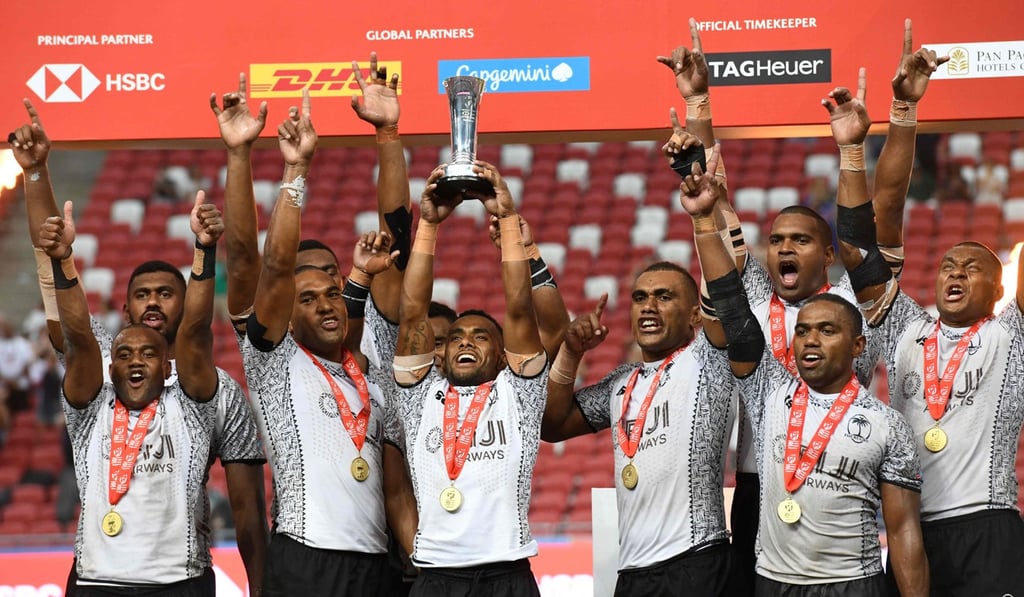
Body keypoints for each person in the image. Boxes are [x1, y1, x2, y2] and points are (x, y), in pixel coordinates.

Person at [10, 100, 268, 594]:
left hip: (181, 580)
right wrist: (38, 174)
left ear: (186, 301)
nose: (153, 303)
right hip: (97, 578)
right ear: (125, 311)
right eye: (142, 295)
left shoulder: (220, 392)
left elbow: (248, 510)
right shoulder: (101, 360)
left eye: (166, 294)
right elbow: (53, 280)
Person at [689, 144, 929, 596]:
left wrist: (855, 149)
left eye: (799, 240)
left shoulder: (849, 300)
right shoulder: (758, 303)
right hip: (759, 483)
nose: (784, 248)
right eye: (777, 240)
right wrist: (708, 210)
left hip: (844, 468)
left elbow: (873, 230)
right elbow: (727, 289)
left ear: (827, 253)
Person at [832, 47, 1024, 597]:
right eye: (947, 265)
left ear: (998, 287)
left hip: (988, 524)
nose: (955, 273)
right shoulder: (905, 327)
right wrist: (874, 133)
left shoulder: (1010, 333)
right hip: (912, 531)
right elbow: (856, 245)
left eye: (972, 268)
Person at [228, 90, 402, 596]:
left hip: (380, 562)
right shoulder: (274, 361)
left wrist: (388, 135)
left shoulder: (376, 345)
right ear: (284, 309)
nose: (326, 302)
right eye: (307, 298)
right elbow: (270, 265)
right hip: (306, 559)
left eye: (334, 288)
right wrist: (296, 170)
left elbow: (398, 239)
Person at [40, 193, 227, 595]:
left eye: (148, 353)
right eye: (124, 354)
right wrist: (62, 261)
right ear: (111, 366)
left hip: (178, 582)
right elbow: (77, 336)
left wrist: (204, 251)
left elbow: (195, 332)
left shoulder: (191, 402)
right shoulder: (91, 406)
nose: (136, 361)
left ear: (167, 366)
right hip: (96, 582)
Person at [394, 162, 548, 596]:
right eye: (457, 335)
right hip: (436, 578)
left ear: (502, 355)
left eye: (481, 336)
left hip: (508, 575)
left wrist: (509, 219)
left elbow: (519, 307)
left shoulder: (519, 392)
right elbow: (412, 313)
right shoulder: (419, 396)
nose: (466, 341)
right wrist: (426, 225)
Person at [541, 256, 735, 597]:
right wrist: (570, 354)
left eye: (664, 296)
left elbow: (723, 289)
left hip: (695, 558)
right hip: (632, 572)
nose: (648, 307)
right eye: (640, 298)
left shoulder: (709, 359)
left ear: (694, 314)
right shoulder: (620, 383)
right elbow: (552, 425)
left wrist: (705, 218)